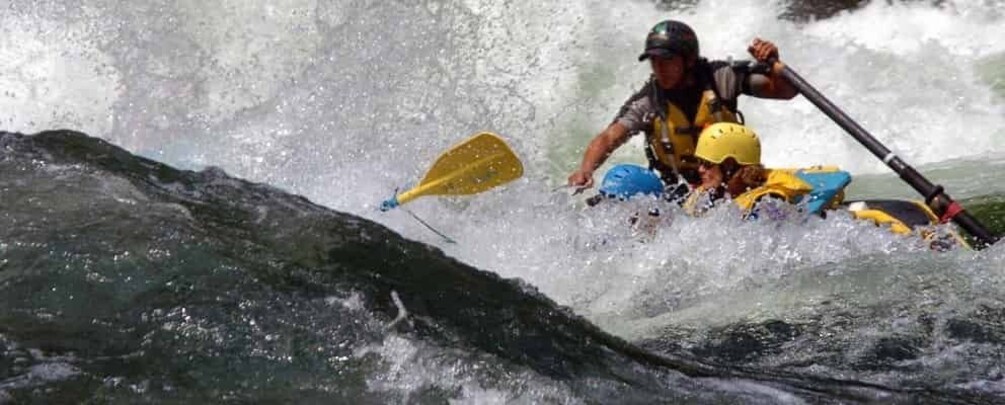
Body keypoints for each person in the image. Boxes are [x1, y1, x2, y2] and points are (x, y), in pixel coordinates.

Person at [567, 19, 798, 194]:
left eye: (666, 60)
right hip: (681, 191)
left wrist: (774, 63)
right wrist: (586, 170)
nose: (659, 68)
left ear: (688, 59)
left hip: (737, 183)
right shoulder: (648, 101)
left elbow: (786, 91)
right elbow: (609, 137)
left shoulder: (721, 78)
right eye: (654, 61)